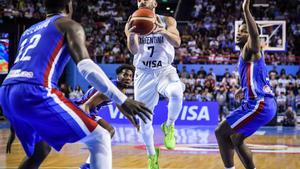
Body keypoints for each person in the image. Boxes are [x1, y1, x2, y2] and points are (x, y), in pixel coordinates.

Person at [0, 1, 152, 169]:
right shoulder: (69, 25)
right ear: (69, 5)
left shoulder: (28, 32)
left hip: (7, 91)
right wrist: (124, 100)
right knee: (101, 137)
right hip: (35, 90)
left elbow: (21, 70)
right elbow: (86, 67)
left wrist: (16, 119)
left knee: (40, 150)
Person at [215, 0, 277, 169]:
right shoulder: (246, 54)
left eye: (243, 31)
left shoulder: (251, 48)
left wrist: (245, 9)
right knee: (235, 138)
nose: (238, 33)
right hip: (257, 102)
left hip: (260, 104)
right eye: (239, 30)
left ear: (250, 34)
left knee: (220, 132)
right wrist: (244, 90)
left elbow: (255, 36)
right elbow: (254, 77)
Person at [125, 0, 184, 168]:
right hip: (143, 74)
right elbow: (134, 50)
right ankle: (152, 155)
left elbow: (177, 42)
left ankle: (169, 126)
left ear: (155, 3)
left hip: (164, 70)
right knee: (144, 120)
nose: (142, 0)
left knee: (176, 92)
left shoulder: (168, 20)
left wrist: (163, 31)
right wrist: (130, 36)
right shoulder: (133, 21)